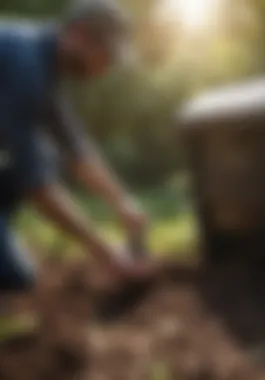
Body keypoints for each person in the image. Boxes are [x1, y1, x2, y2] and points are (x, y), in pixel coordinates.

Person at [0, 0, 155, 341]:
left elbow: (76, 146)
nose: (107, 68)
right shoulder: (25, 67)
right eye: (108, 55)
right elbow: (35, 186)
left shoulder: (43, 64)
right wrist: (106, 252)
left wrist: (122, 202)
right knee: (15, 277)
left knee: (48, 156)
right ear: (79, 34)